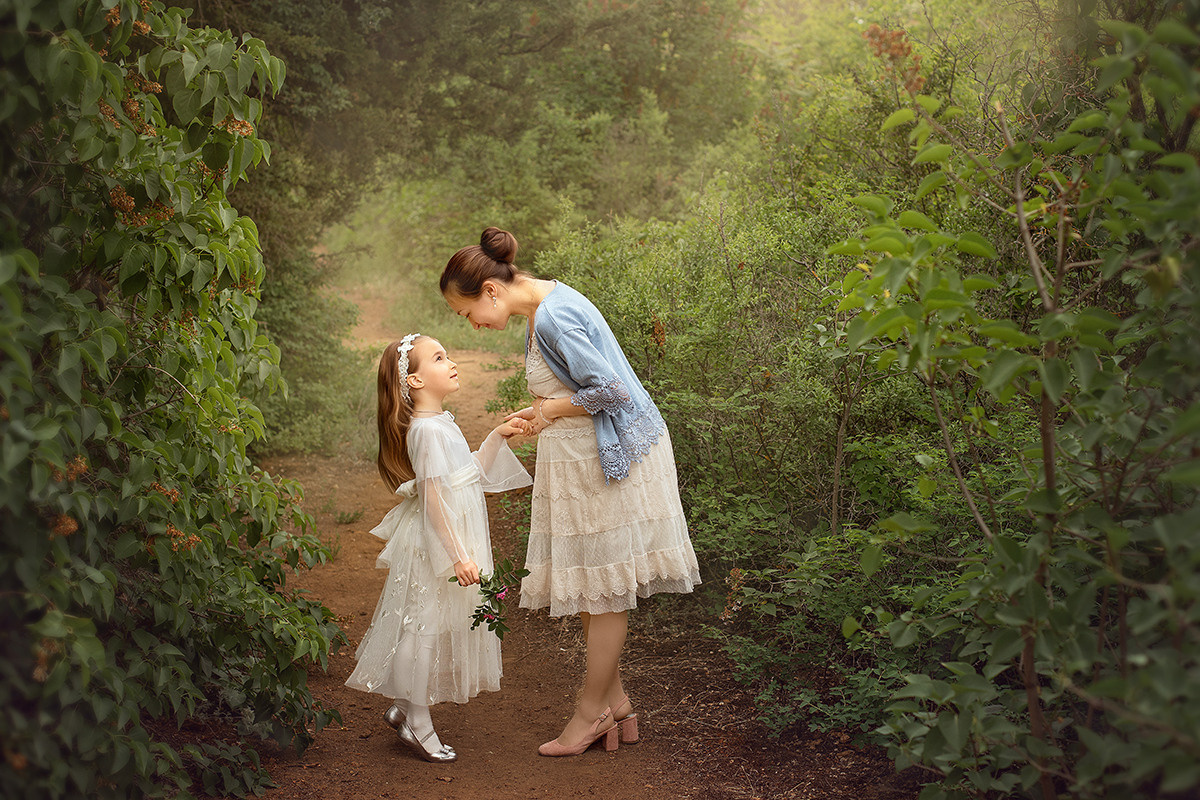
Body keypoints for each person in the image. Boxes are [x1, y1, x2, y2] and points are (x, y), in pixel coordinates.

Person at [441, 227, 701, 757]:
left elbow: (610, 391)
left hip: (614, 460)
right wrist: (542, 412)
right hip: (585, 459)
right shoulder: (544, 307)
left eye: (464, 311)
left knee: (603, 590)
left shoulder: (553, 314)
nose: (469, 322)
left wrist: (546, 411)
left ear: (490, 290)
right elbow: (572, 387)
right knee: (592, 586)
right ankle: (617, 704)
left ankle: (589, 713)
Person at [345, 333, 532, 762]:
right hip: (437, 542)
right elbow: (432, 499)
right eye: (438, 357)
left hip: (447, 535)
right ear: (414, 380)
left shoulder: (440, 423)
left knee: (429, 621)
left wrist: (496, 437)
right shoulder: (426, 431)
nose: (451, 362)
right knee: (422, 625)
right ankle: (418, 721)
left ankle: (406, 708)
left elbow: (466, 477)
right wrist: (457, 556)